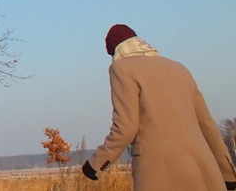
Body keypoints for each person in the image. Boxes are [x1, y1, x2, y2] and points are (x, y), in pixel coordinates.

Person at [83, 24, 236, 191]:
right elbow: (207, 125)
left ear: (115, 51)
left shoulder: (121, 68)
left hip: (159, 172)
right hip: (203, 170)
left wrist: (96, 163)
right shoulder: (179, 68)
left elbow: (126, 127)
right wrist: (227, 173)